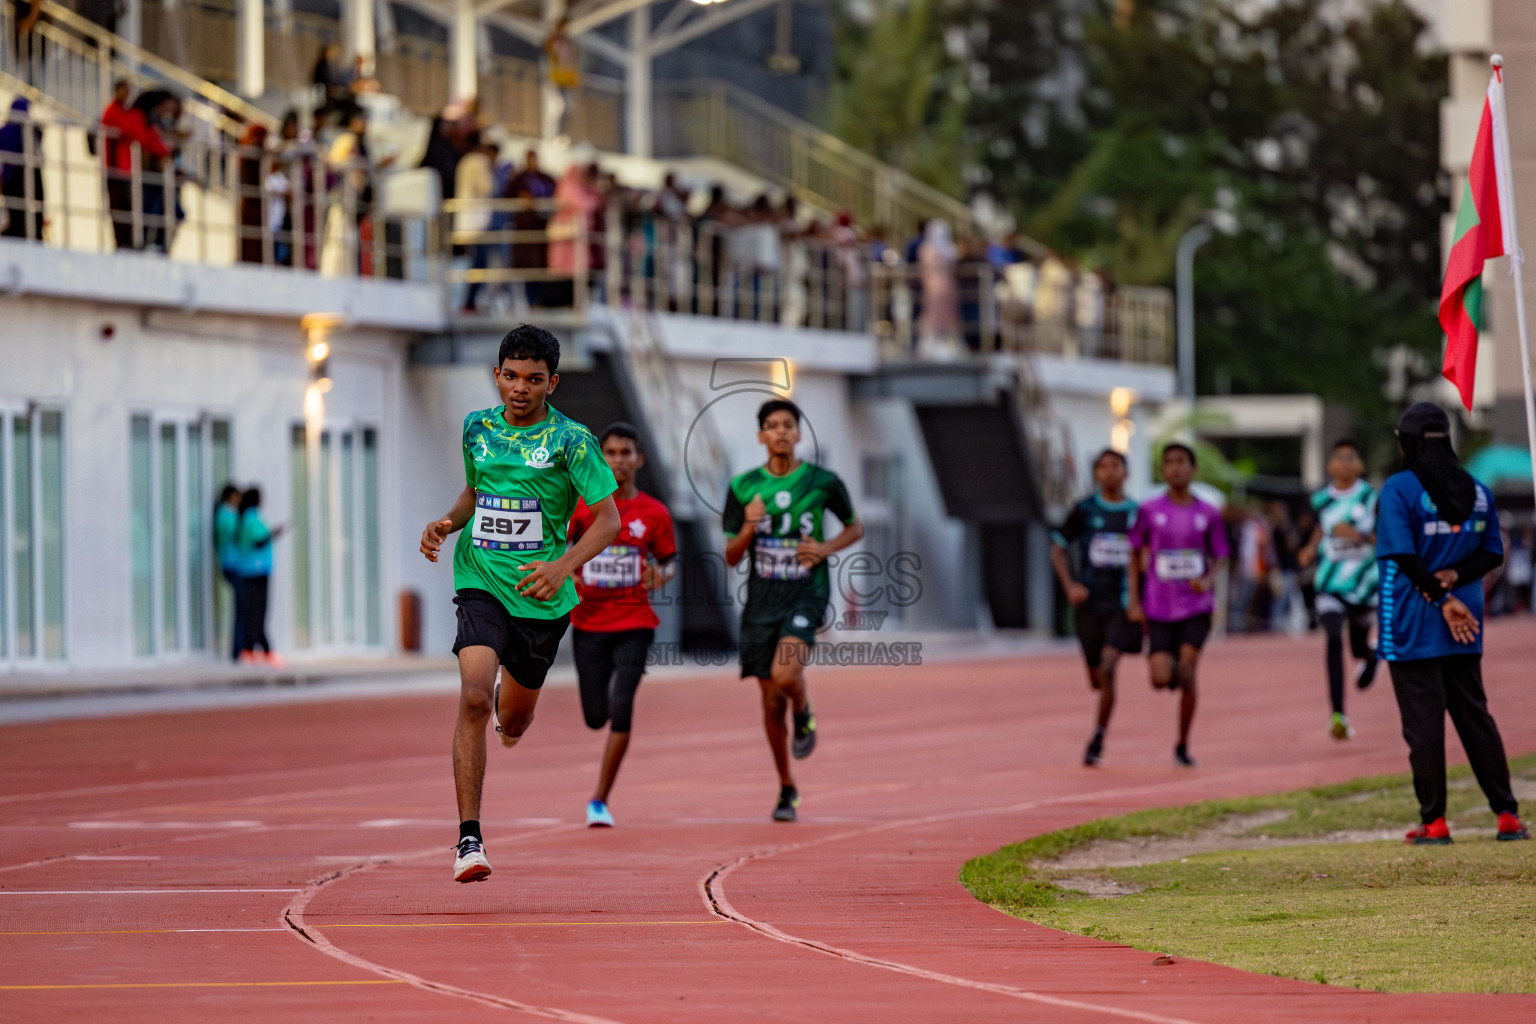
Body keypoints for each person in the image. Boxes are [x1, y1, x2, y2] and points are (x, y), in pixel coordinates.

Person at [419, 324, 620, 883]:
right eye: (511, 376)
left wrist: (561, 567)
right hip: (481, 579)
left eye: (534, 379)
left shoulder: (571, 440)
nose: (520, 388)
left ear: (552, 382)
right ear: (497, 375)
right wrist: (446, 522)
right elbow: (474, 493)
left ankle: (516, 705)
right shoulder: (476, 428)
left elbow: (609, 521)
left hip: (541, 599)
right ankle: (469, 841)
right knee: (476, 696)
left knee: (513, 718)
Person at [1375, 403, 1528, 844]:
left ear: (1407, 443)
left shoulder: (1400, 490)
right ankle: (1506, 815)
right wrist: (1457, 582)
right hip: (1465, 621)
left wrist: (1441, 597)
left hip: (1413, 622)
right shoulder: (1477, 491)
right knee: (1474, 715)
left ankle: (1435, 821)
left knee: (1423, 723)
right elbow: (1492, 553)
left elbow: (1403, 556)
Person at [723, 400, 863, 822]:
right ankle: (786, 787)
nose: (781, 432)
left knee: (786, 676)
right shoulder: (743, 486)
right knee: (768, 701)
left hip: (807, 593)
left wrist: (825, 547)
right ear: (761, 436)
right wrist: (749, 524)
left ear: (799, 434)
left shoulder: (823, 481)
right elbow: (730, 556)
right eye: (771, 426)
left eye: (788, 425)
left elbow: (855, 526)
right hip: (762, 599)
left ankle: (803, 708)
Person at [567, 423, 677, 827]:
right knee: (596, 716)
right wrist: (571, 573)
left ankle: (599, 799)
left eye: (625, 452)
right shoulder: (582, 507)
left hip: (635, 622)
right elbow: (560, 549)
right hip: (589, 623)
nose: (618, 460)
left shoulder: (654, 513)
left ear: (639, 459)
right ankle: (600, 790)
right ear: (601, 458)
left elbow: (668, 561)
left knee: (623, 704)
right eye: (610, 452)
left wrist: (661, 576)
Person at [1126, 443, 1229, 767]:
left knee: (1188, 671)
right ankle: (1168, 670)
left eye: (1181, 462)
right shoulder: (1149, 510)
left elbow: (1221, 556)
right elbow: (1134, 552)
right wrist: (1133, 598)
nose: (1175, 469)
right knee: (1159, 679)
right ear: (1163, 471)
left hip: (1196, 606)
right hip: (1158, 605)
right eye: (1168, 463)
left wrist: (1208, 579)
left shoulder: (1207, 513)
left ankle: (1182, 744)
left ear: (1192, 469)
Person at [1050, 449, 1143, 767]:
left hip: (1122, 604)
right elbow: (1058, 548)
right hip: (1089, 604)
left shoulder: (1137, 513)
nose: (1108, 472)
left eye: (1115, 466)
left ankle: (1098, 738)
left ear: (1126, 473)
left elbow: (1149, 555)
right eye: (1101, 467)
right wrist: (1070, 586)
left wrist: (1140, 600)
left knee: (1108, 665)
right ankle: (1103, 712)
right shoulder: (1085, 510)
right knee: (1096, 679)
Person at [1298, 439, 1379, 740]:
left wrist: (1358, 535)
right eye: (1339, 458)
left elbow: (1384, 536)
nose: (1344, 463)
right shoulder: (1321, 499)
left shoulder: (1371, 497)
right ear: (1330, 465)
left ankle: (1372, 656)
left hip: (1362, 582)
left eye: (1350, 457)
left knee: (1357, 647)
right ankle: (1338, 714)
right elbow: (1322, 526)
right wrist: (1309, 548)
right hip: (1329, 582)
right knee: (1332, 639)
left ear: (1359, 465)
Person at [236, 487, 285, 667]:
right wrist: (273, 533)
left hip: (253, 569)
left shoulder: (246, 517)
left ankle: (255, 649)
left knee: (255, 611)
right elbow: (257, 541)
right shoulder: (251, 519)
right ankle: (259, 650)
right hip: (256, 570)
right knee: (257, 612)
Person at [0, 96, 43, 240]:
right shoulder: (29, 131)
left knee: (19, 216)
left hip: (12, 179)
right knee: (27, 216)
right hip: (24, 177)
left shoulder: (6, 132)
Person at [214, 484, 247, 661]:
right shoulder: (226, 516)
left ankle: (239, 649)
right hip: (231, 565)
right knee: (241, 608)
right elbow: (239, 535)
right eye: (236, 498)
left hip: (235, 565)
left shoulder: (229, 515)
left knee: (243, 608)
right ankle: (237, 650)